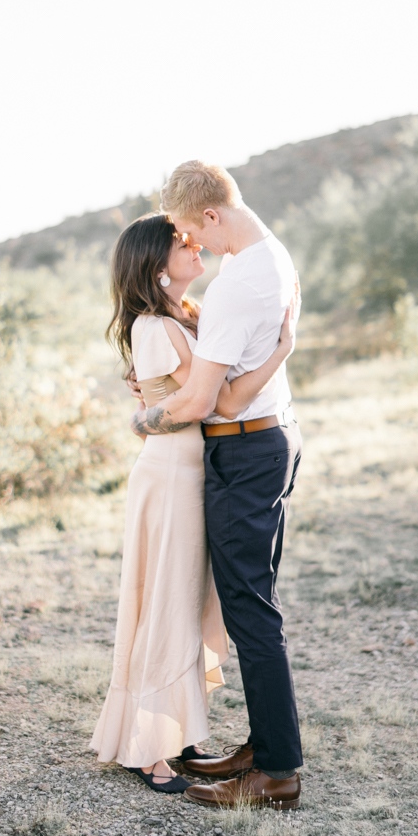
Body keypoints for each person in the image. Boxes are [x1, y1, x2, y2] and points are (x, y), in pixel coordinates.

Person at [90, 212, 296, 794]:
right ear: (158, 270)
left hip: (193, 472)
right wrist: (281, 352)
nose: (195, 244)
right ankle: (147, 748)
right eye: (183, 244)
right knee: (164, 601)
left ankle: (176, 731)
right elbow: (215, 402)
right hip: (171, 477)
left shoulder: (186, 319)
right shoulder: (156, 328)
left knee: (184, 600)